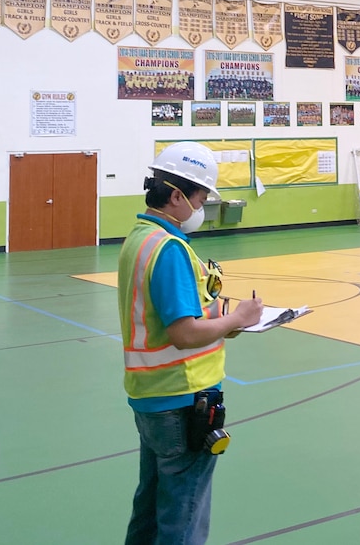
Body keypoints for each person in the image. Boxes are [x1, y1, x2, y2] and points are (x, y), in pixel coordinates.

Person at [117, 142, 264, 545]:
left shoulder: (140, 238)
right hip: (182, 399)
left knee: (149, 507)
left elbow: (173, 318)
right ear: (177, 195)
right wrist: (239, 318)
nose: (202, 208)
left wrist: (218, 321)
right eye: (201, 198)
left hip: (151, 397)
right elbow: (182, 333)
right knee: (183, 513)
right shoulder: (169, 249)